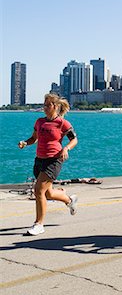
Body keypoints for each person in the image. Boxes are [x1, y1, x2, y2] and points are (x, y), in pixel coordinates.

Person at [18, 93, 78, 235]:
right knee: (48, 193)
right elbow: (34, 138)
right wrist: (26, 143)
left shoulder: (63, 123)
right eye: (44, 105)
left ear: (55, 106)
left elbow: (74, 140)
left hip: (54, 160)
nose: (44, 108)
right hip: (39, 159)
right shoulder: (39, 122)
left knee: (38, 190)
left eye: (47, 105)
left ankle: (38, 224)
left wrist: (66, 148)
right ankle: (70, 200)